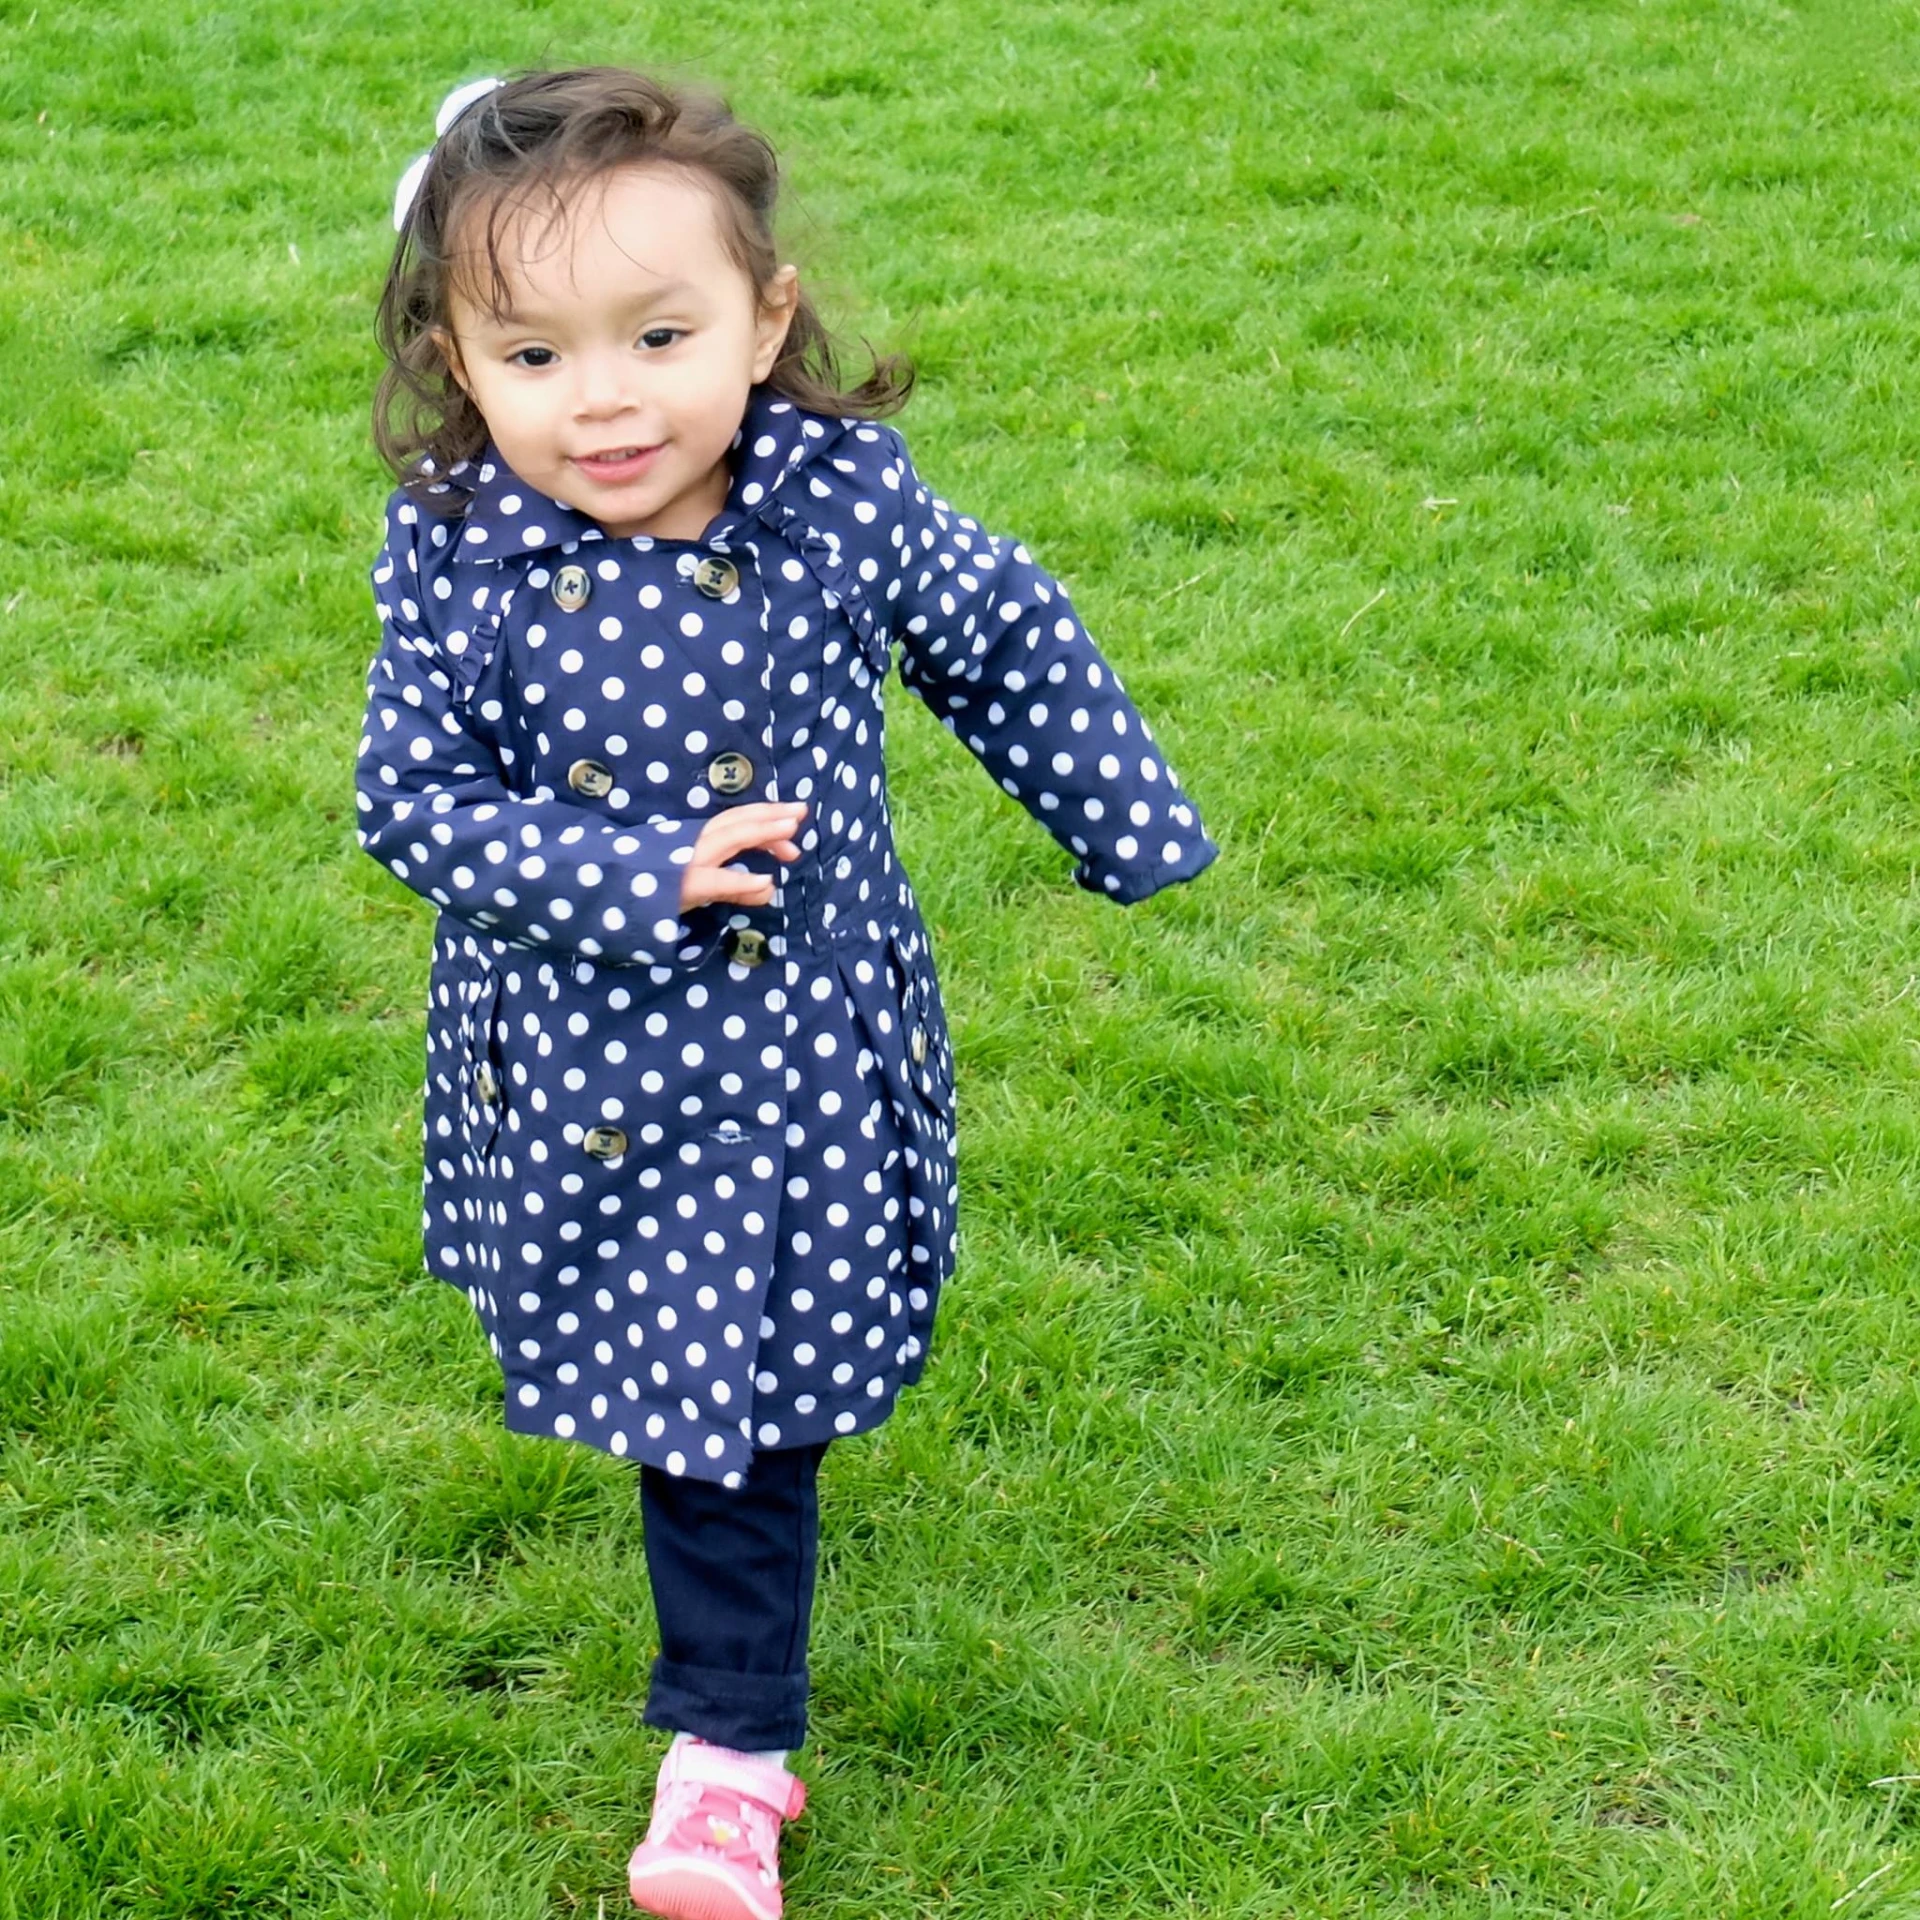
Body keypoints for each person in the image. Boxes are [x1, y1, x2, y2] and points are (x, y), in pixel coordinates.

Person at [356, 65, 1219, 1920]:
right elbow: (408, 802)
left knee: (753, 1405)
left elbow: (1001, 633)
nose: (601, 400)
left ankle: (728, 1750)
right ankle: (731, 1745)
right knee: (705, 1407)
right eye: (530, 356)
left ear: (768, 316)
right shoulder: (458, 549)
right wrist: (625, 874)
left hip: (805, 1060)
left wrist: (1128, 823)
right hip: (585, 1064)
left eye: (658, 335)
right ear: (452, 353)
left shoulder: (839, 496)